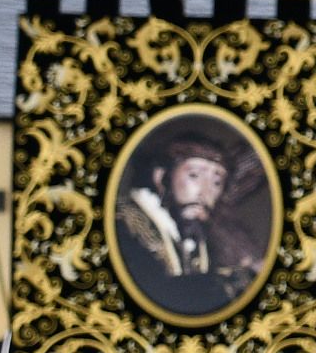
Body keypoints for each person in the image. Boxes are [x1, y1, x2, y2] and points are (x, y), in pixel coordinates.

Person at [112, 130, 264, 314]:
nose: (205, 192)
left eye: (217, 182)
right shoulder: (122, 222)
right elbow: (158, 293)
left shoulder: (198, 232)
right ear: (160, 177)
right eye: (194, 176)